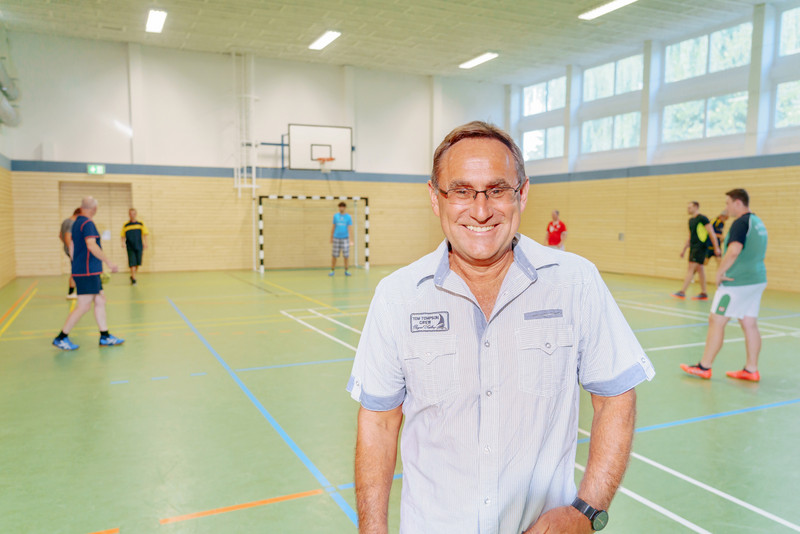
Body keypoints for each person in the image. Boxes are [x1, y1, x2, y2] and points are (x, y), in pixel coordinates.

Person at [347, 121, 655, 534]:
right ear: (435, 199)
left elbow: (616, 396)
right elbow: (379, 424)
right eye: (460, 190)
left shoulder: (575, 283)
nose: (480, 210)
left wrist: (587, 510)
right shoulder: (398, 297)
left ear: (522, 194)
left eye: (496, 190)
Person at [681, 189, 768, 382]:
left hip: (736, 283)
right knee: (749, 323)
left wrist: (720, 271)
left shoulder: (740, 222)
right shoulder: (757, 222)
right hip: (757, 280)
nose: (726, 207)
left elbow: (734, 250)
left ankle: (704, 366)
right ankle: (751, 369)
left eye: (728, 203)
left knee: (717, 320)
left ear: (738, 203)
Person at [52, 196, 124, 350]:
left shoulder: (76, 222)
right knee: (84, 306)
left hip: (84, 270)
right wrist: (109, 262)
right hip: (87, 272)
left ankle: (105, 336)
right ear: (94, 209)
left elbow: (71, 244)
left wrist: (75, 262)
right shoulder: (88, 223)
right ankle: (61, 337)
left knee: (100, 300)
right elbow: (91, 245)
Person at [673, 201, 720, 301]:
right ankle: (704, 293)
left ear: (696, 207)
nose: (688, 209)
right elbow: (690, 236)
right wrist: (684, 249)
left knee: (691, 269)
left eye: (690, 208)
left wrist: (716, 247)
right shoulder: (690, 220)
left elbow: (711, 233)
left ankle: (682, 292)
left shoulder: (703, 219)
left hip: (700, 247)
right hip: (693, 247)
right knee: (700, 269)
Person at [121, 208, 150, 285]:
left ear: (136, 214)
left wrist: (145, 242)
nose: (132, 215)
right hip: (130, 246)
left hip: (139, 245)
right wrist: (123, 242)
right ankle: (134, 279)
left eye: (133, 214)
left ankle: (132, 275)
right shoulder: (126, 225)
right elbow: (122, 235)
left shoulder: (140, 224)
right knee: (132, 263)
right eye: (130, 214)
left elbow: (145, 233)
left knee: (137, 263)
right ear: (129, 215)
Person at [59, 207, 81, 299]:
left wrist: (66, 247)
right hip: (73, 250)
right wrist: (71, 249)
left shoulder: (65, 221)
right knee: (75, 270)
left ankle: (75, 291)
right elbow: (67, 236)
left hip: (69, 249)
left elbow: (60, 235)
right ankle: (71, 292)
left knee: (76, 269)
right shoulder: (72, 223)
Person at [329, 201, 353, 276]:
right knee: (334, 255)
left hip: (345, 238)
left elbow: (350, 228)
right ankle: (332, 270)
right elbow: (333, 227)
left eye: (342, 206)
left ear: (345, 208)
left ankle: (347, 270)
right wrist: (331, 237)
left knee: (346, 255)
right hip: (336, 238)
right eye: (340, 206)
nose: (341, 208)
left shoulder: (348, 217)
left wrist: (351, 240)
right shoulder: (335, 216)